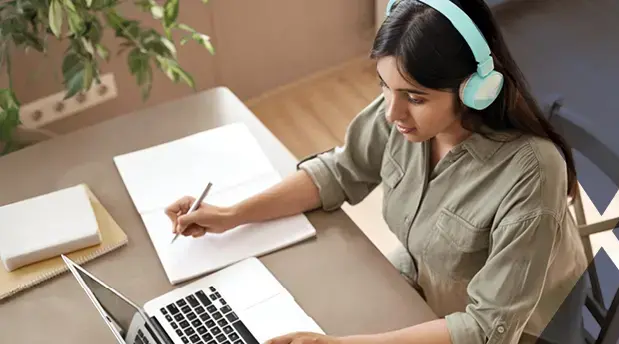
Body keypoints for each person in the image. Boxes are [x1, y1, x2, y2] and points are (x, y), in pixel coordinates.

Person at [165, 0, 589, 343]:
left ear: (475, 91)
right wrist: (232, 214)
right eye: (384, 86)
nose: (392, 112)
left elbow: (486, 329)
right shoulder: (402, 117)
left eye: (415, 98)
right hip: (429, 283)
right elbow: (340, 171)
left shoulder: (531, 172)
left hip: (519, 330)